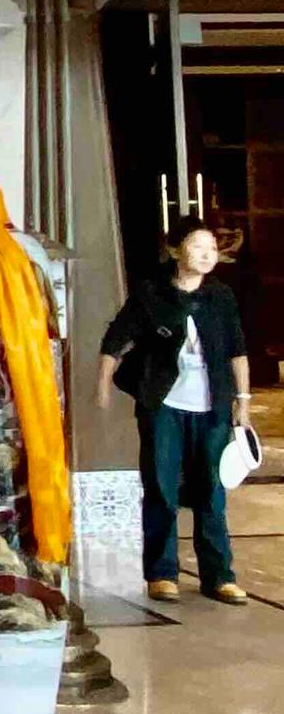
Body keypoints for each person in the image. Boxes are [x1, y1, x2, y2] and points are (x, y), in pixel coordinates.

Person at [97, 219, 251, 604]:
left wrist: (243, 402)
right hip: (163, 406)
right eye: (198, 247)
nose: (207, 255)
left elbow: (238, 351)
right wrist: (101, 387)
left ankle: (219, 576)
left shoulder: (221, 297)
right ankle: (162, 574)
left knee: (212, 491)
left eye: (213, 249)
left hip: (212, 407)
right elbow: (116, 339)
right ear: (176, 250)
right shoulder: (152, 294)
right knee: (162, 488)